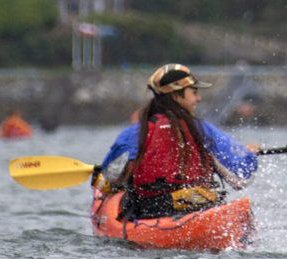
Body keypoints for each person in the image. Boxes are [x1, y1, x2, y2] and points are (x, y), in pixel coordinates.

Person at [98, 64, 259, 220]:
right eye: (194, 93)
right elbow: (241, 174)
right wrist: (249, 155)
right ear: (176, 96)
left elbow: (110, 175)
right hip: (197, 207)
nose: (199, 98)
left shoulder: (134, 133)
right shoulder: (202, 129)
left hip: (150, 210)